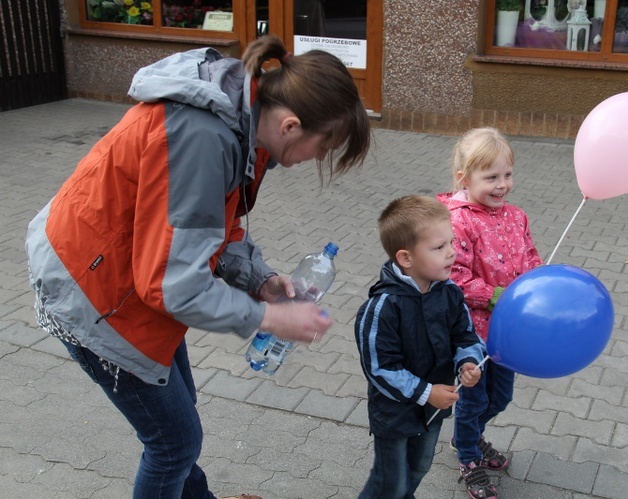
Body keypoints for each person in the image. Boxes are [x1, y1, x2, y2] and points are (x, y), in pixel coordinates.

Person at [25, 34, 370, 499]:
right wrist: (270, 317)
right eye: (323, 148)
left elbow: (208, 228)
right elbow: (173, 287)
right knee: (173, 442)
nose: (316, 160)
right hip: (93, 289)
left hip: (123, 272)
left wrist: (260, 280)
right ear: (290, 125)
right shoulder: (204, 136)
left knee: (179, 419)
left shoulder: (239, 121)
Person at [355, 195, 487, 499]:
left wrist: (467, 362)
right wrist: (428, 392)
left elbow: (465, 335)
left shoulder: (450, 293)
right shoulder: (383, 308)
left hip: (432, 410)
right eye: (439, 248)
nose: (452, 253)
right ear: (406, 258)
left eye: (451, 243)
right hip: (395, 413)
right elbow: (380, 369)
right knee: (390, 480)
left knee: (419, 467)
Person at [437, 127, 544, 499]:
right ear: (464, 178)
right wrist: (495, 294)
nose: (502, 185)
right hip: (473, 334)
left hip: (509, 329)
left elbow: (530, 257)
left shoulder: (517, 216)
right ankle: (468, 455)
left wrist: (538, 285)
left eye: (507, 175)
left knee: (500, 398)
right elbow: (452, 276)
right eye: (491, 177)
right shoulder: (457, 220)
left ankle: (465, 434)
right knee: (474, 398)